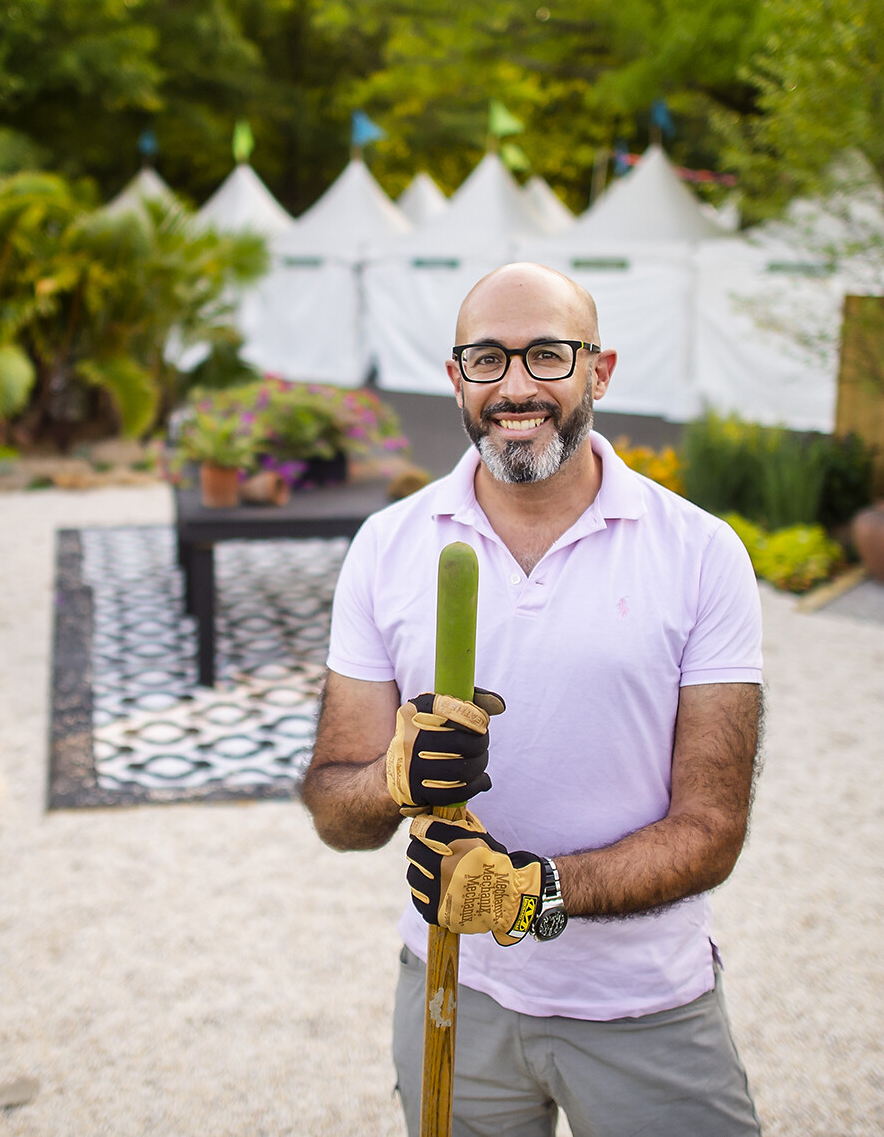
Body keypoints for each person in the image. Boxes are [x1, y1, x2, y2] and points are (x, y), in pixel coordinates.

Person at [302, 263, 764, 1137]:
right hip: (453, 992)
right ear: (455, 377)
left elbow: (713, 826)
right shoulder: (388, 547)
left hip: (644, 1006)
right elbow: (335, 803)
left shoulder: (701, 554)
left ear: (601, 369)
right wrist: (393, 778)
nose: (516, 387)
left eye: (547, 355)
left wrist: (527, 895)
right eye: (488, 359)